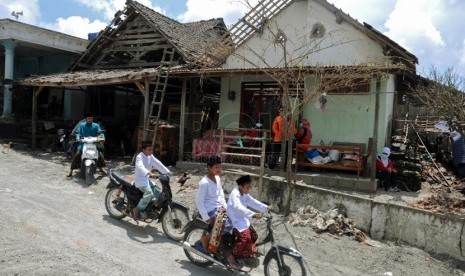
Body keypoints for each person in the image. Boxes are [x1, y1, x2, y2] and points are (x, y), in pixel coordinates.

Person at [226, 175, 271, 269]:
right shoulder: (235, 194)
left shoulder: (244, 193)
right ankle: (231, 257)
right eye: (247, 187)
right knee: (244, 238)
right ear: (240, 186)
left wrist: (266, 208)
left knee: (254, 235)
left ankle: (243, 253)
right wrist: (253, 214)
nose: (249, 189)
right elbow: (239, 207)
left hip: (241, 220)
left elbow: (253, 202)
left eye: (250, 187)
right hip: (234, 221)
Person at [194, 156, 229, 252]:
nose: (219, 169)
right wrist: (207, 218)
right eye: (216, 167)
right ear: (209, 168)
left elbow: (221, 195)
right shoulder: (204, 183)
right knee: (226, 225)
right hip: (210, 210)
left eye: (219, 167)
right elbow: (199, 201)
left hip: (219, 207)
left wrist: (226, 208)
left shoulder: (217, 178)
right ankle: (204, 239)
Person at [131, 141, 171, 220]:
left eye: (151, 150)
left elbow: (158, 163)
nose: (151, 152)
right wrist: (148, 172)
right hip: (140, 181)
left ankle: (149, 209)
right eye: (149, 150)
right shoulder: (140, 157)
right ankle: (136, 210)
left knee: (158, 193)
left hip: (147, 179)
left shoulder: (150, 156)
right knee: (149, 193)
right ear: (143, 150)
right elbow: (140, 166)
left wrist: (167, 172)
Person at [67, 113, 107, 177]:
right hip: (83, 143)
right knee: (78, 153)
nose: (90, 119)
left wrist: (102, 137)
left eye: (91, 118)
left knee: (99, 154)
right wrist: (77, 137)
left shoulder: (96, 125)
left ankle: (101, 168)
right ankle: (71, 170)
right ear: (86, 119)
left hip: (93, 143)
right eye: (89, 118)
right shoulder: (82, 125)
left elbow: (100, 133)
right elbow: (78, 133)